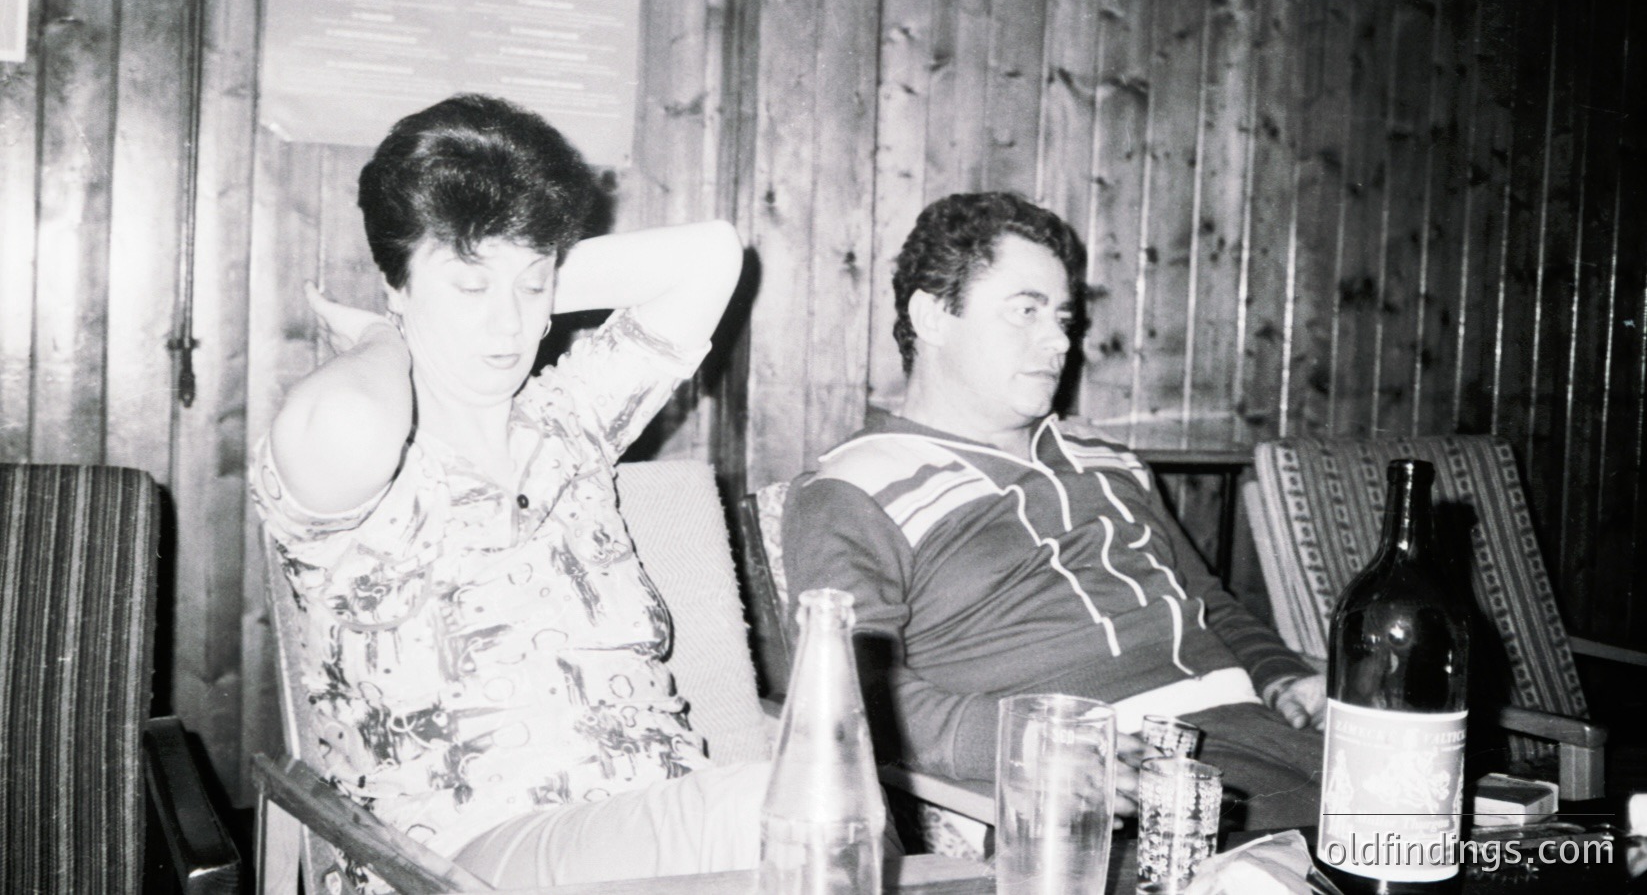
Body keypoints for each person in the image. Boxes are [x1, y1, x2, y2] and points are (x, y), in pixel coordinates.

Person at [250, 95, 765, 890]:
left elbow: (712, 254)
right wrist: (387, 327)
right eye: (467, 288)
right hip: (464, 862)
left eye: (533, 290)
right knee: (784, 807)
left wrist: (517, 267)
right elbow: (351, 416)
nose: (508, 328)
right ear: (396, 283)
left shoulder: (573, 418)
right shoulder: (358, 459)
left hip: (663, 834)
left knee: (814, 804)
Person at [781, 191, 1326, 832]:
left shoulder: (1109, 457)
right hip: (1120, 774)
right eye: (1025, 311)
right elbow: (847, 688)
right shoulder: (852, 487)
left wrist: (1283, 676)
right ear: (931, 316)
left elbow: (1207, 598)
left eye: (1063, 318)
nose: (1058, 341)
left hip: (1273, 740)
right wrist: (1039, 742)